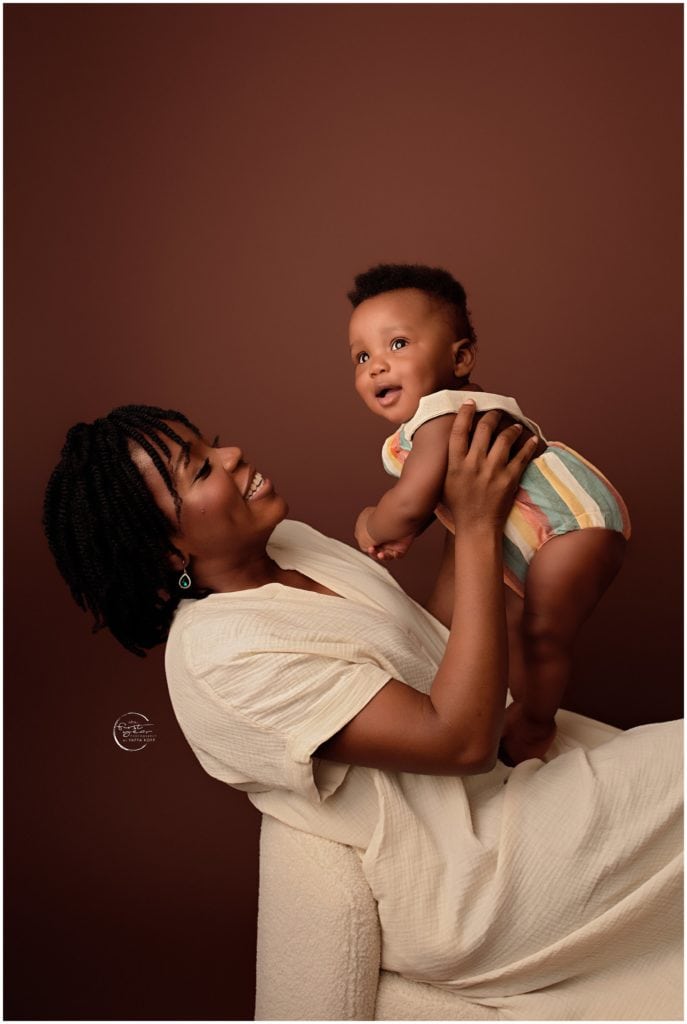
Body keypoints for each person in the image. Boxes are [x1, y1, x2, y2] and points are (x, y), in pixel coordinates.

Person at [43, 403, 682, 1020]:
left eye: (210, 441)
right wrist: (478, 528)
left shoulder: (289, 545)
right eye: (202, 467)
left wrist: (461, 505)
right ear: (166, 554)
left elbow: (430, 647)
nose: (232, 454)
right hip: (480, 878)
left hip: (525, 778)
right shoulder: (220, 656)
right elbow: (459, 740)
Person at [348, 263, 631, 764]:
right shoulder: (446, 417)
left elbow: (410, 503)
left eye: (398, 344)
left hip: (572, 525)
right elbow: (444, 491)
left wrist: (372, 523)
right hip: (541, 532)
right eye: (362, 355)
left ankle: (536, 723)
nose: (376, 366)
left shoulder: (441, 414)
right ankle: (514, 712)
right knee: (515, 624)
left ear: (460, 358)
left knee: (542, 635)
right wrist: (415, 526)